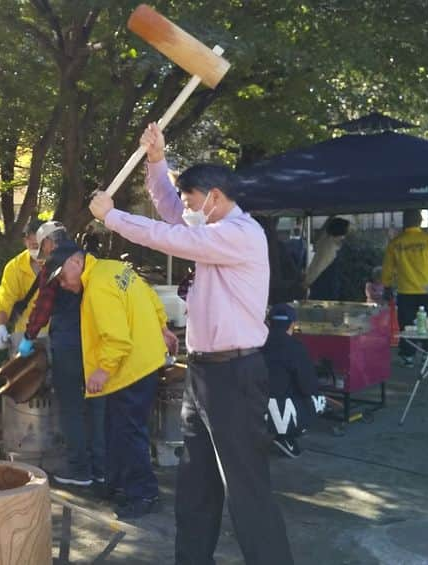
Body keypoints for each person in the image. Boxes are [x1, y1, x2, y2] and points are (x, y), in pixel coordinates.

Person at [89, 122, 293, 563]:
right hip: (204, 374)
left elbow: (170, 234)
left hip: (235, 374)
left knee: (247, 489)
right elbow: (169, 210)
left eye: (193, 202)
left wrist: (113, 217)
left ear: (214, 197)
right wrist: (157, 160)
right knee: (195, 485)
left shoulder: (239, 234)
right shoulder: (210, 227)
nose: (187, 210)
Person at [42, 241, 174, 519]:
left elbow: (116, 339)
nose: (63, 285)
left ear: (76, 263)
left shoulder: (97, 289)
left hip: (131, 369)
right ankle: (117, 486)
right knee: (116, 430)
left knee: (129, 432)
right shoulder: (115, 268)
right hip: (146, 360)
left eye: (62, 277)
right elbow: (150, 297)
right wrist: (162, 327)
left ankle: (143, 494)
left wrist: (102, 371)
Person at [18, 221, 106, 488]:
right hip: (97, 346)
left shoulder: (56, 264)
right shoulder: (89, 261)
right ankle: (101, 468)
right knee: (96, 406)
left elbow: (43, 306)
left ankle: (80, 471)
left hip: (69, 346)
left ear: (48, 243)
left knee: (71, 408)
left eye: (41, 247)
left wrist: (28, 337)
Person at [382, 209, 428, 367]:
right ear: (420, 222)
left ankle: (408, 356)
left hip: (406, 291)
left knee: (406, 325)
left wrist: (387, 286)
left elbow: (387, 268)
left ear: (404, 222)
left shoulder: (395, 243)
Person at [262, 304, 324, 458]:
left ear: (269, 323)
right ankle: (286, 436)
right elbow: (308, 386)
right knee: (318, 400)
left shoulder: (255, 343)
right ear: (292, 324)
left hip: (252, 407)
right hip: (280, 410)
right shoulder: (295, 347)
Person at [0, 219, 44, 351]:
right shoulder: (14, 267)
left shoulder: (61, 264)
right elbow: (5, 298)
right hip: (25, 333)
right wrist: (1, 327)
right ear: (25, 242)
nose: (39, 251)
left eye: (43, 245)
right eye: (34, 246)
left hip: (58, 333)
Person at [305, 217, 351, 301]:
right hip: (324, 289)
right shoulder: (329, 247)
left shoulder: (327, 242)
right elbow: (318, 266)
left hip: (327, 287)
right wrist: (307, 281)